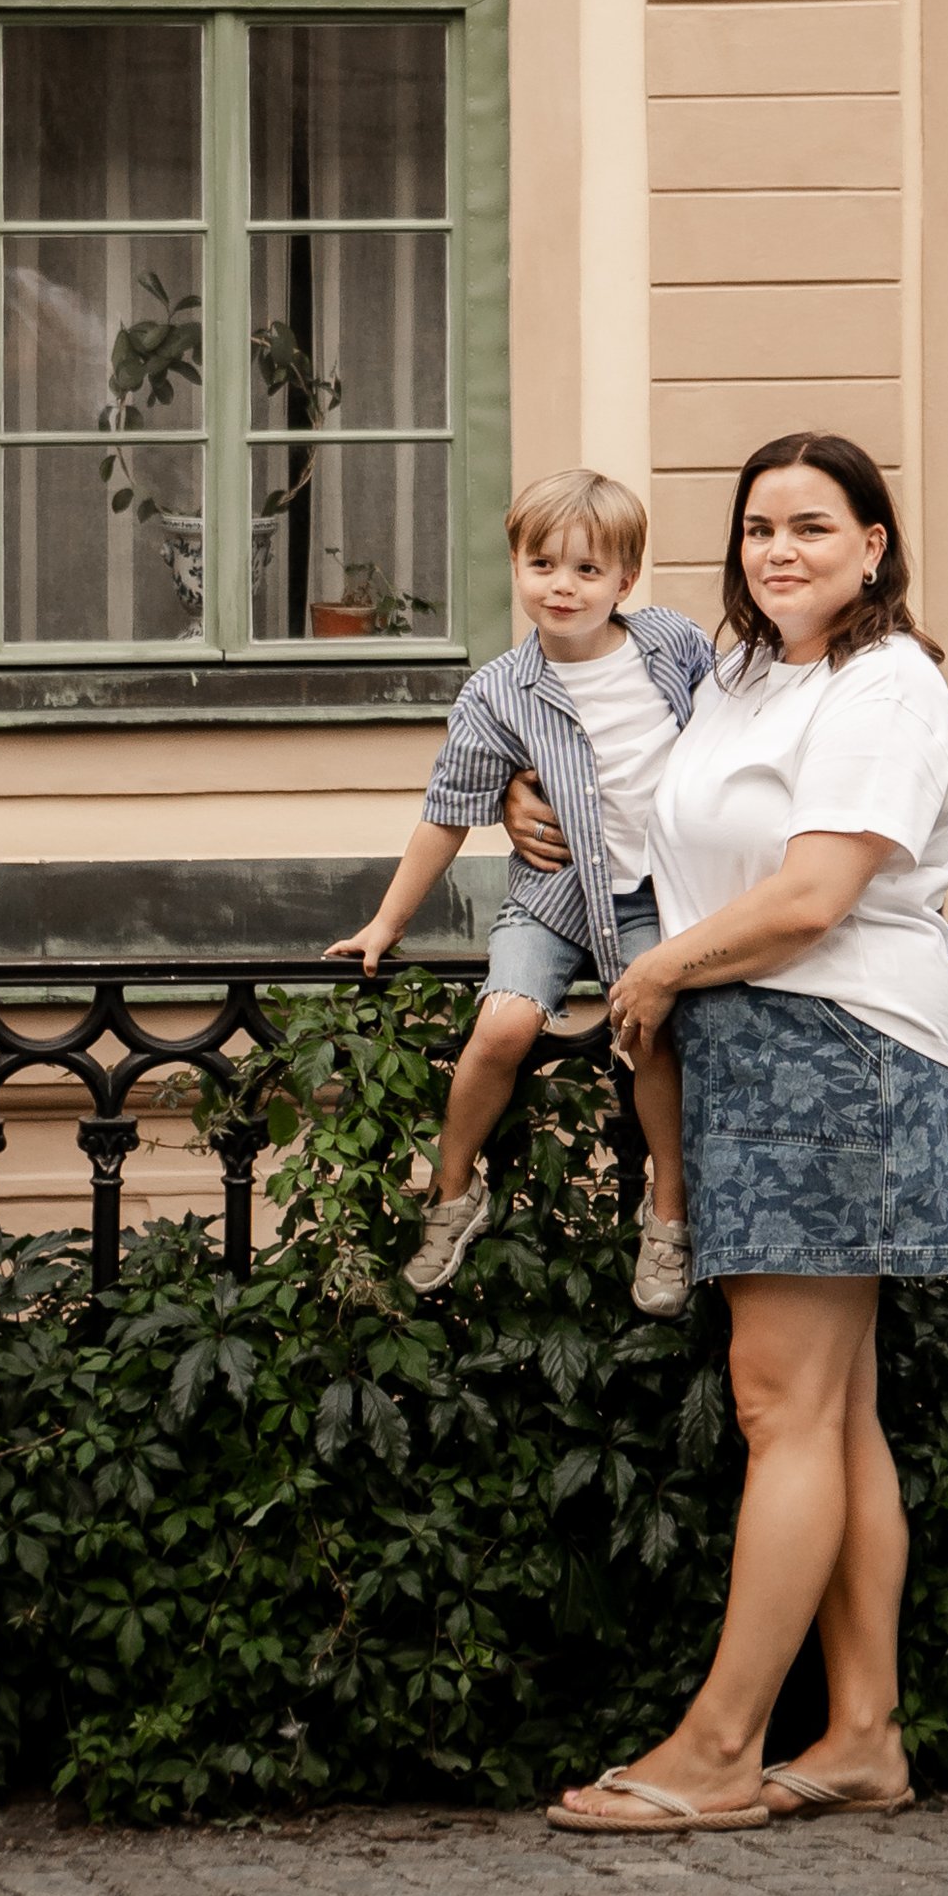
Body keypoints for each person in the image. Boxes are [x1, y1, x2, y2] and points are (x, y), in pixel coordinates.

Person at [533, 430, 948, 1834]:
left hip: (833, 1039)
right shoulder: (738, 675)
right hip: (760, 1043)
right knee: (834, 1412)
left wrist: (656, 971)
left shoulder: (885, 683)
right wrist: (541, 810)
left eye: (815, 526)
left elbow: (811, 895)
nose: (781, 549)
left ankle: (722, 1747)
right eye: (761, 527)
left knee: (782, 1403)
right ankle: (860, 1735)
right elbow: (659, 805)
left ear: (875, 545)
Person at [325, 466, 712, 1316]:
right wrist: (386, 923)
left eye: (585, 570)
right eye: (542, 565)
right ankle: (454, 1191)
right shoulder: (498, 693)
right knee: (501, 1027)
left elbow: (742, 723)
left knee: (650, 1029)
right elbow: (444, 815)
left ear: (625, 578)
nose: (562, 587)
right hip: (552, 893)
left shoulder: (674, 647)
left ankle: (670, 1212)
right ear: (515, 565)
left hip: (655, 895)